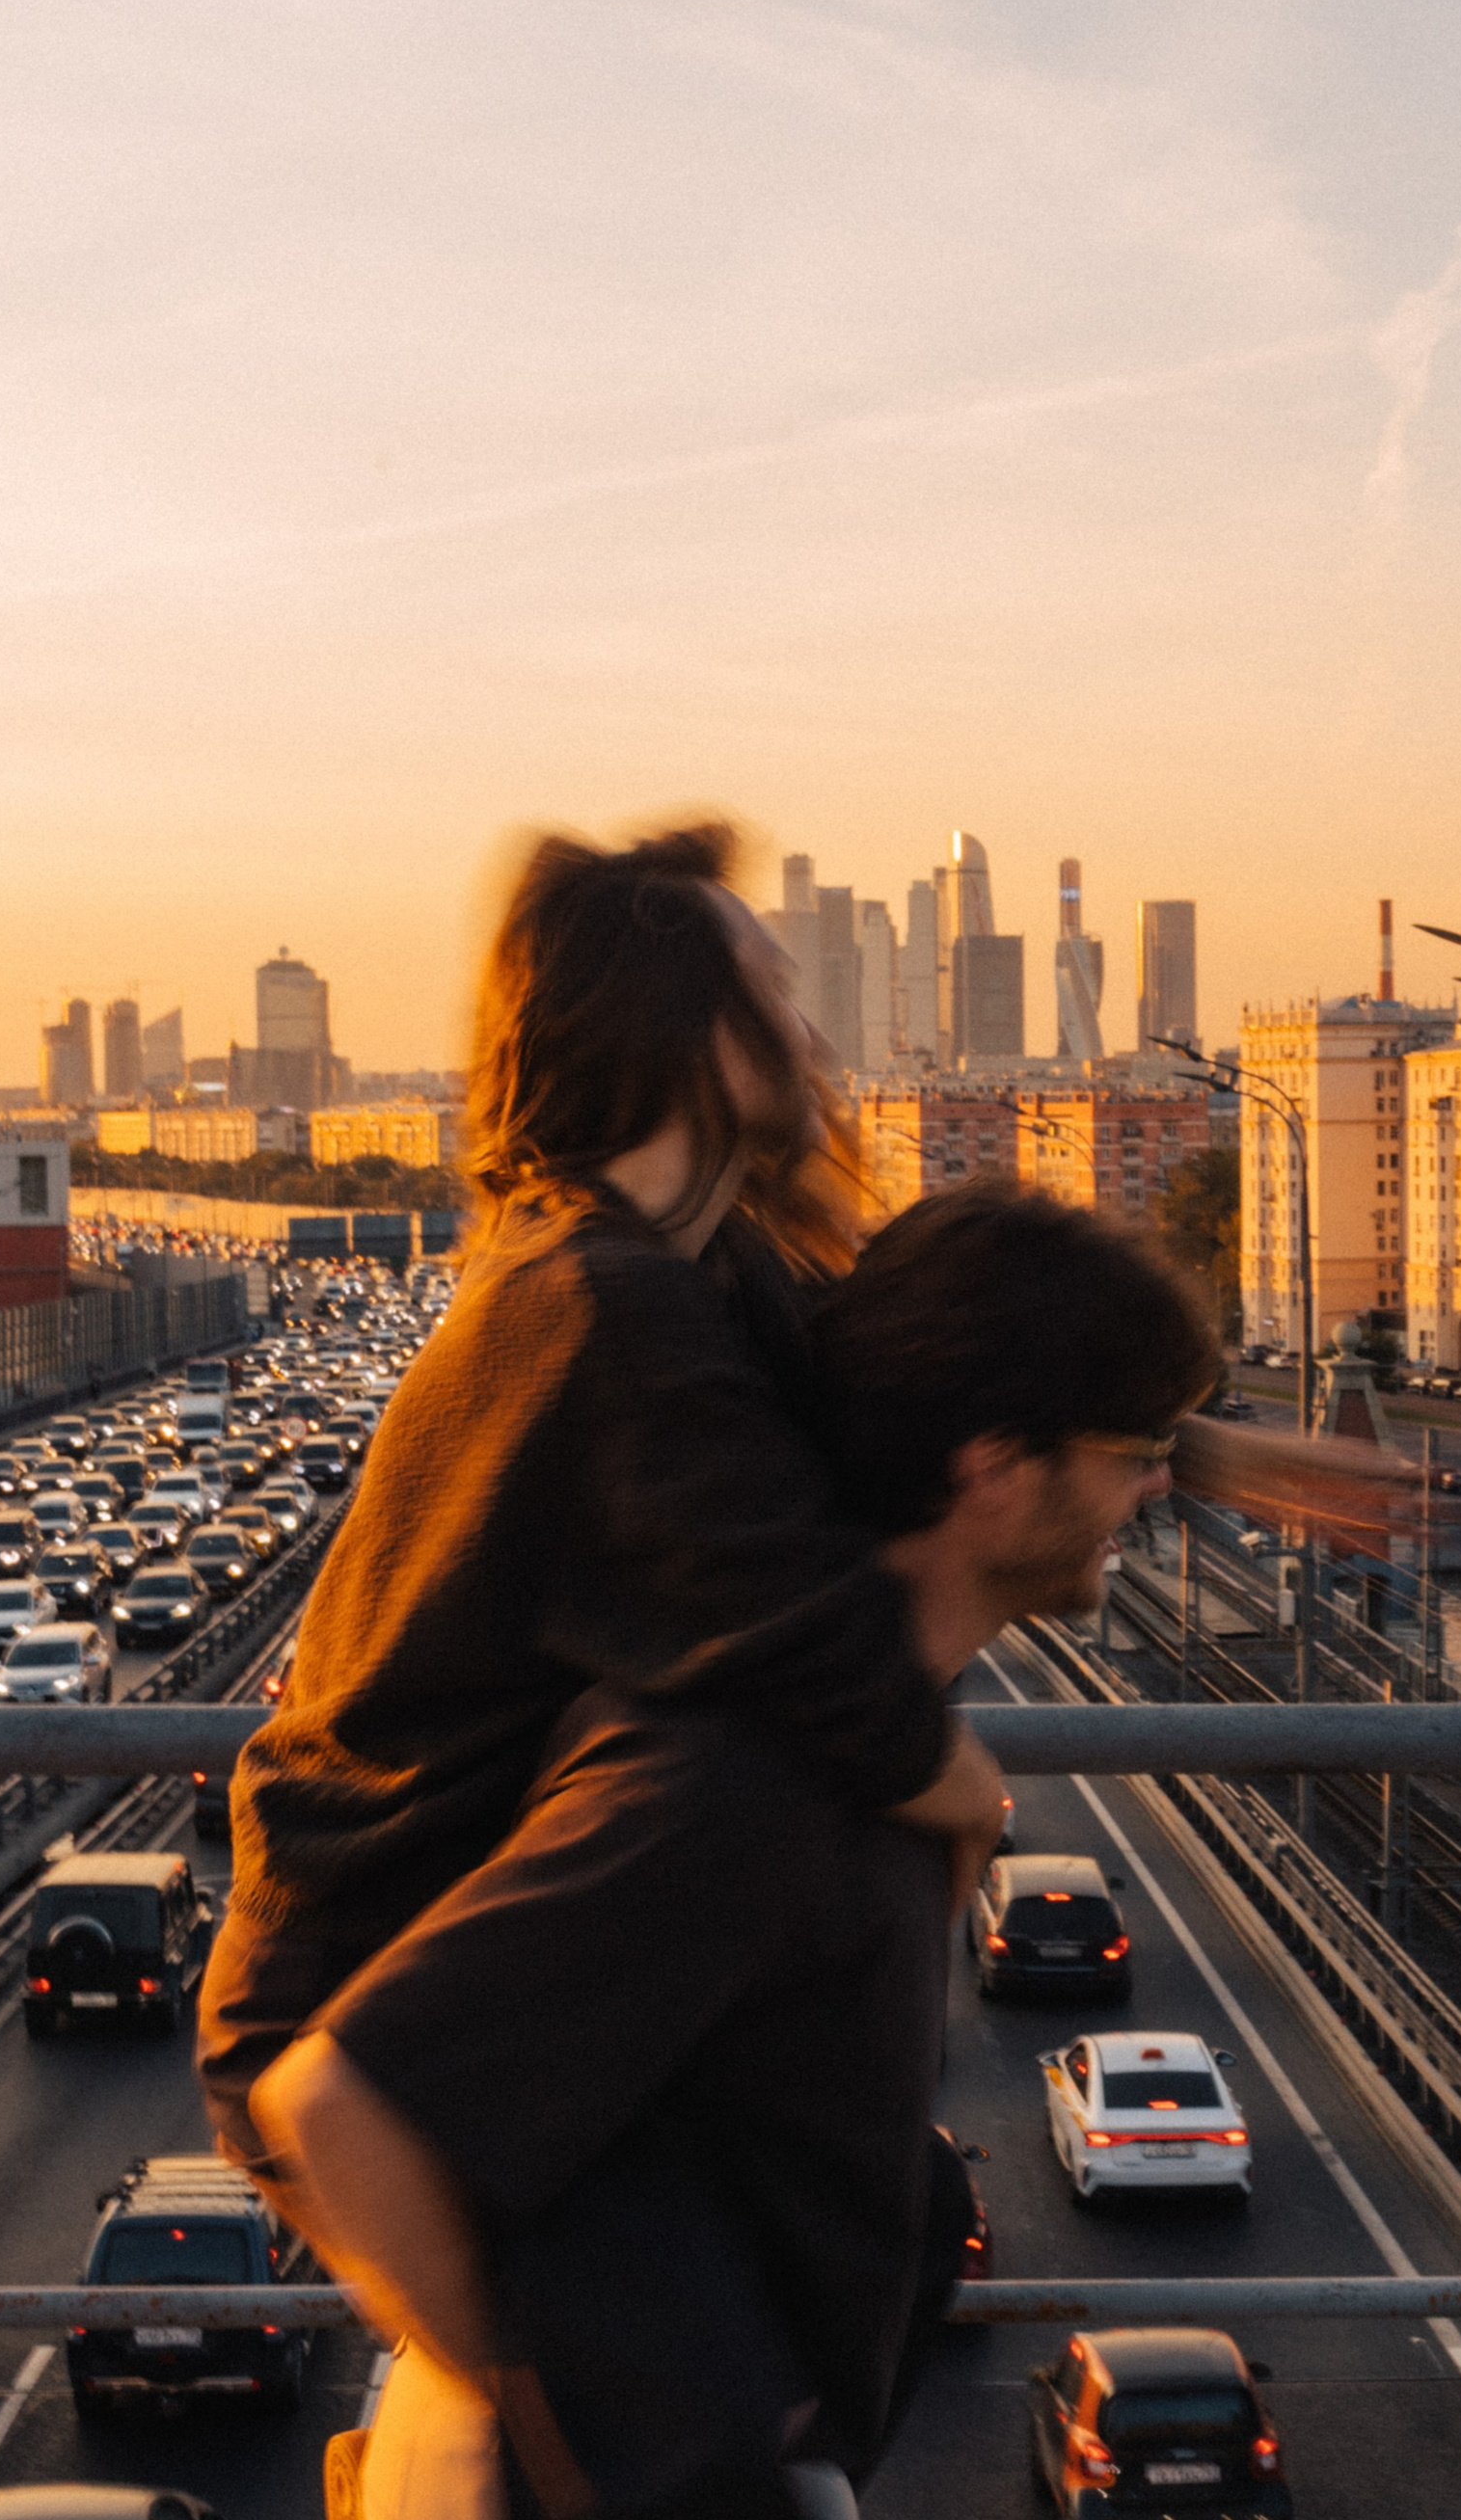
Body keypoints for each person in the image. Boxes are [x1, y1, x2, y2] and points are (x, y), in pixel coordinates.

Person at [252, 1184, 1217, 2520]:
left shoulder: (856, 1729)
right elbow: (345, 2104)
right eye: (1134, 1449)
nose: (1160, 1488)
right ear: (993, 1464)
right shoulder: (754, 1769)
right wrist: (571, 2459)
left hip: (630, 2498)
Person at [198, 821, 1005, 2162]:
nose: (816, 1038)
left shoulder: (694, 1271)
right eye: (779, 995)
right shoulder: (598, 1304)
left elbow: (912, 1398)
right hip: (358, 2018)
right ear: (691, 1031)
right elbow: (803, 1638)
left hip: (464, 1986)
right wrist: (964, 1790)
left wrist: (1188, 1445)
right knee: (754, 1773)